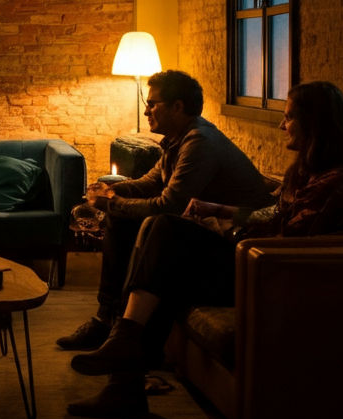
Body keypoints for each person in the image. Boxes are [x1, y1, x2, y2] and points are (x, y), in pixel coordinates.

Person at [67, 80, 343, 419]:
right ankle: (122, 355)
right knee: (159, 238)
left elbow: (287, 243)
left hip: (272, 275)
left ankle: (123, 363)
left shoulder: (337, 182)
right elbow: (274, 214)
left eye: (288, 118)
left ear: (315, 123)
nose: (281, 125)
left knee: (164, 234)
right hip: (255, 259)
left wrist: (230, 228)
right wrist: (219, 210)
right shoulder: (306, 170)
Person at [57, 69, 273, 351]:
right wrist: (109, 190)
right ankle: (106, 319)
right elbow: (150, 182)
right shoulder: (177, 139)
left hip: (233, 245)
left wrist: (111, 202)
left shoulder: (200, 143)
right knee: (120, 220)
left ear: (177, 107)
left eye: (152, 103)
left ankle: (122, 335)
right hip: (206, 234)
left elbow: (169, 205)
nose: (146, 111)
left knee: (156, 223)